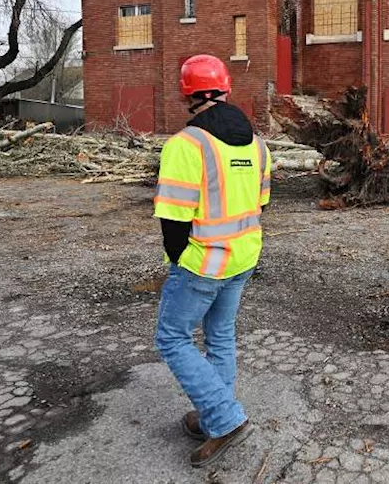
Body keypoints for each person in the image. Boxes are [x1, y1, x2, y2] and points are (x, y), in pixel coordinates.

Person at [153, 54, 272, 468]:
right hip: (244, 257)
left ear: (187, 93)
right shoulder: (257, 144)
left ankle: (223, 418)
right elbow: (260, 203)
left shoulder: (186, 145)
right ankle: (212, 416)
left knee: (172, 338)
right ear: (225, 89)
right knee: (220, 337)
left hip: (203, 263)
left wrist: (181, 263)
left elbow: (173, 220)